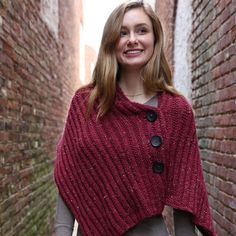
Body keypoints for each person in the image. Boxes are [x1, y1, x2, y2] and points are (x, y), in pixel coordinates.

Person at [54, 1, 215, 235]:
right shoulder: (85, 103)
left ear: (155, 39)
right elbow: (68, 177)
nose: (132, 39)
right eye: (122, 32)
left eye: (142, 30)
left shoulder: (176, 111)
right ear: (111, 42)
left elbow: (185, 198)